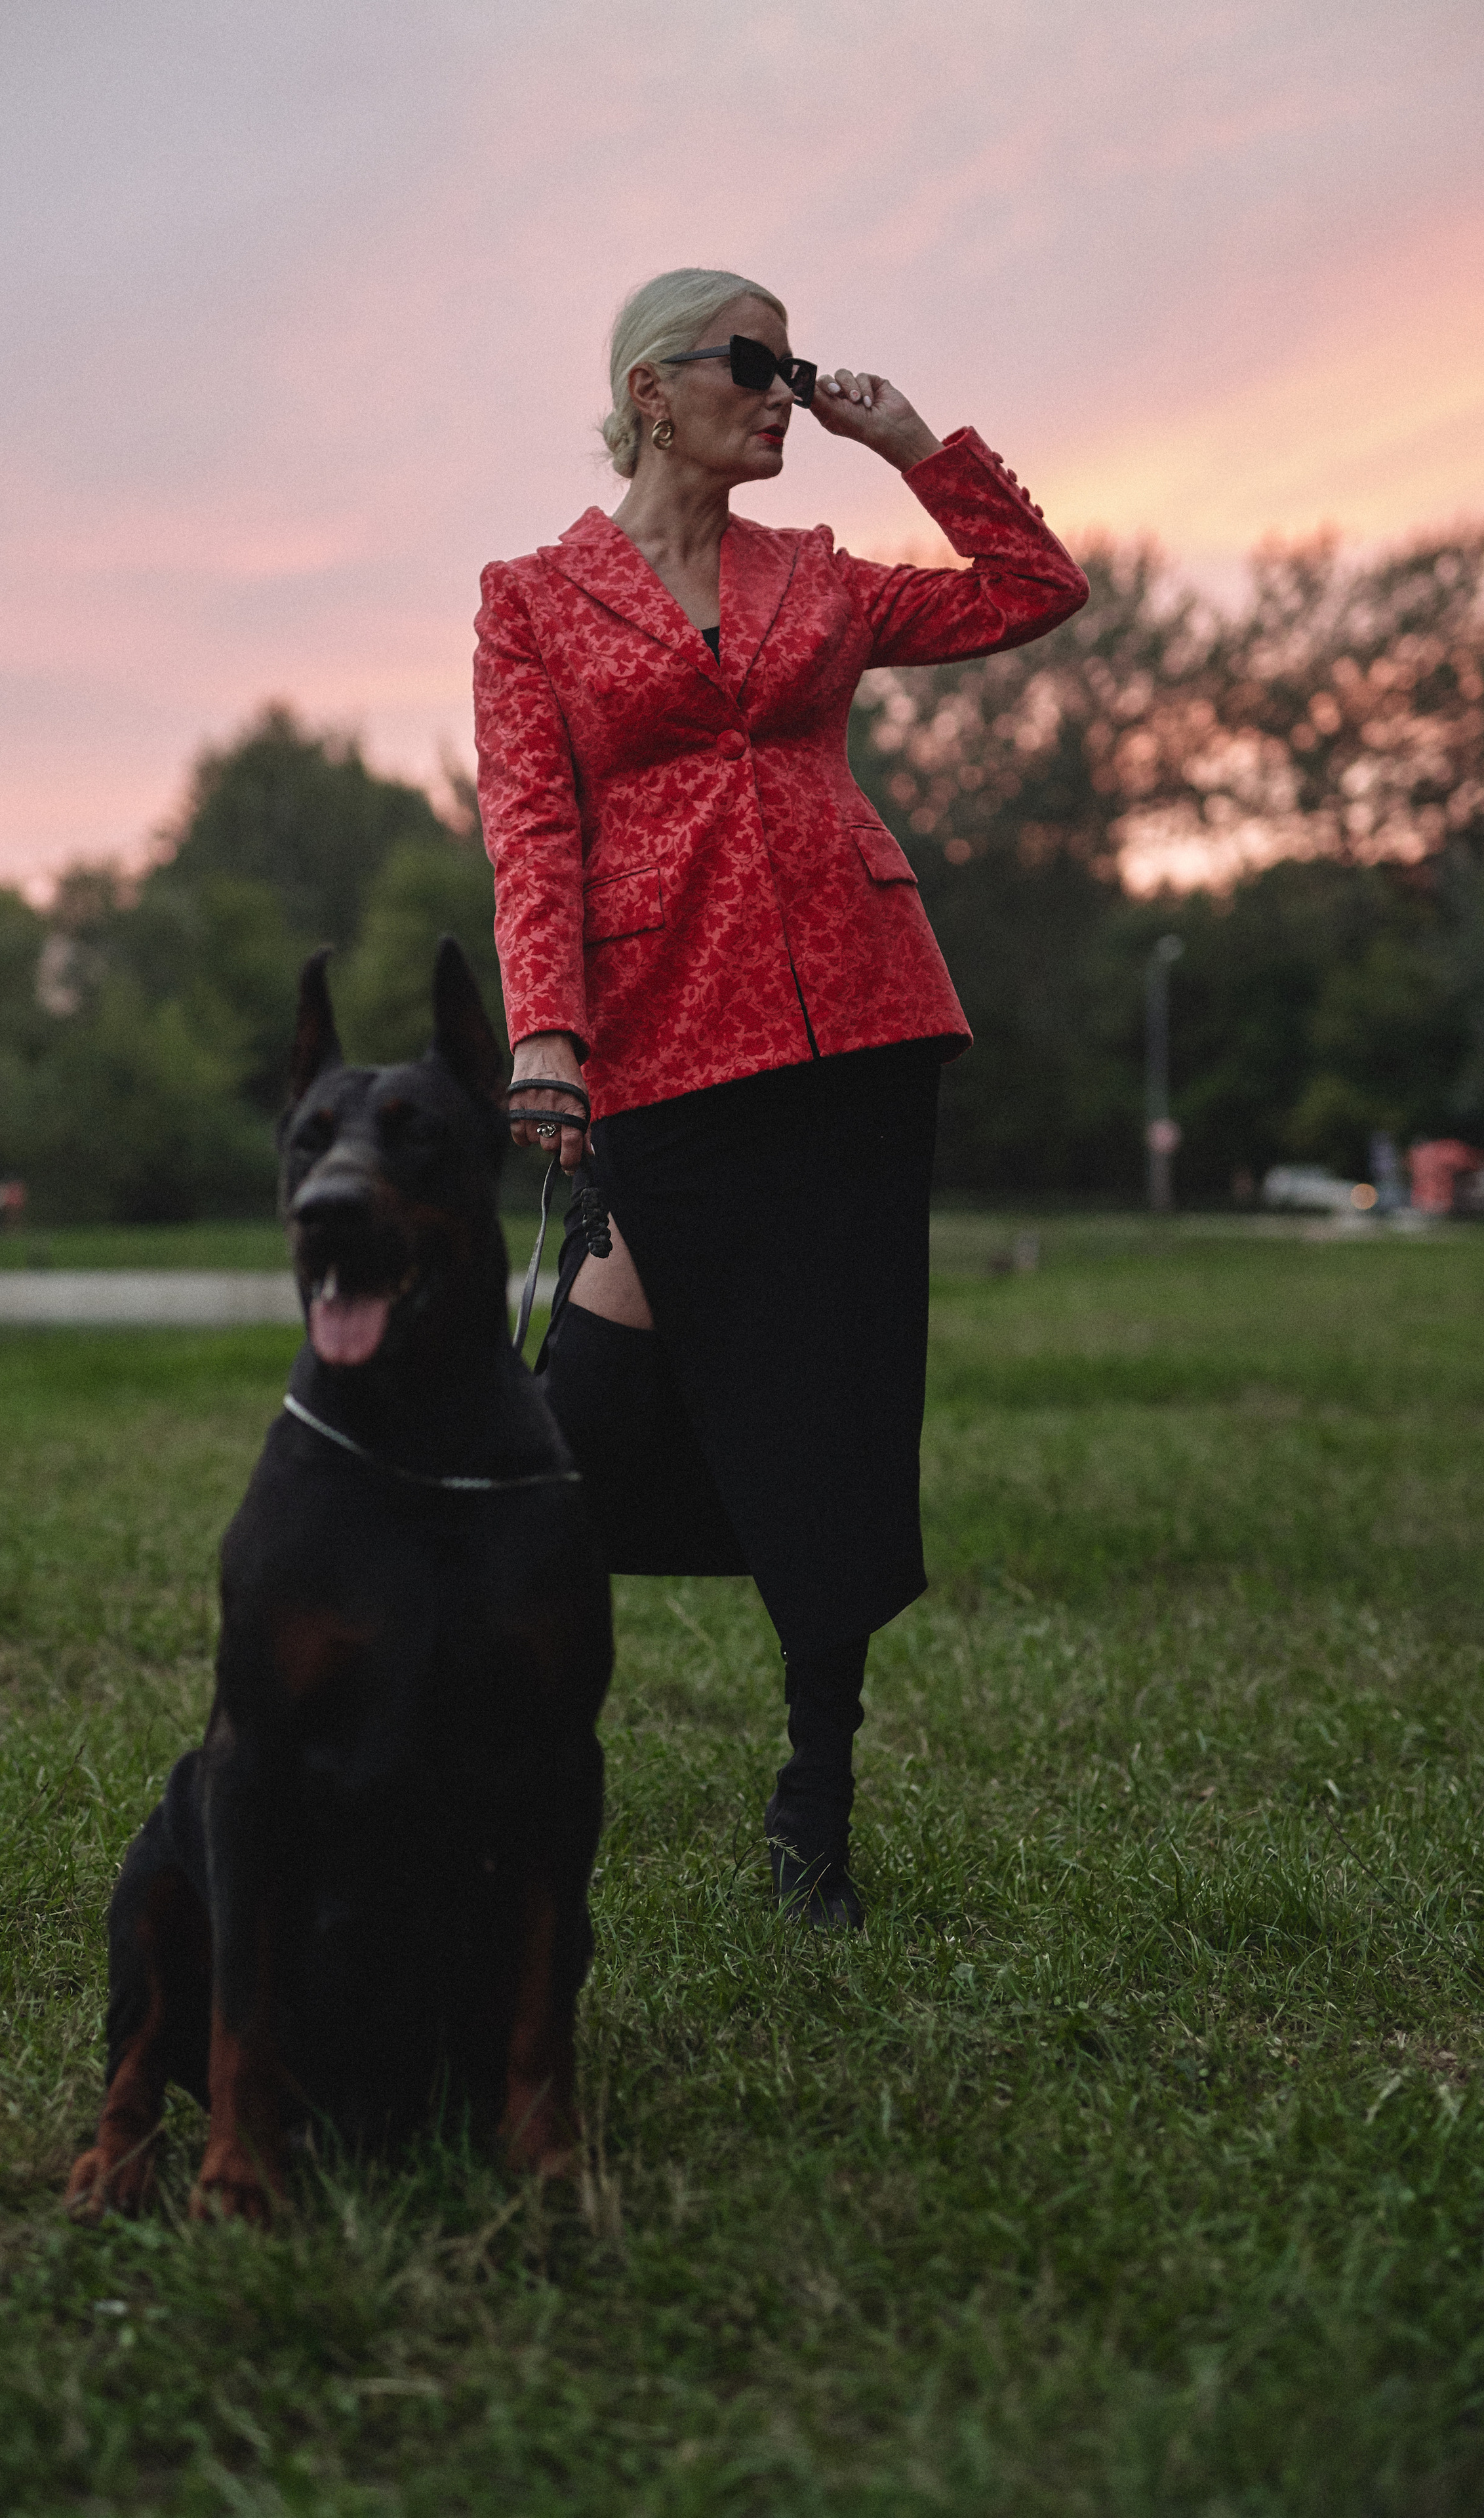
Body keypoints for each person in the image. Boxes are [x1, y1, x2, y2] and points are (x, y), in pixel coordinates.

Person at [473, 267, 1088, 1927]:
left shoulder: (813, 573)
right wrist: (548, 1037)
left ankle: (814, 1794)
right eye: (754, 360)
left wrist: (911, 448)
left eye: (790, 361)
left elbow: (1036, 587)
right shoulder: (530, 598)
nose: (784, 387)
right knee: (575, 1427)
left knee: (830, 1413)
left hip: (861, 1034)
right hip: (667, 1043)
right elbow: (531, 829)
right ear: (651, 386)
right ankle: (500, 1758)